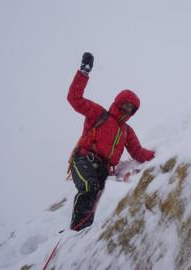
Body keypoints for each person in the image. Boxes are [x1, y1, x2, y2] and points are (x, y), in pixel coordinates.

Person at [66, 52, 155, 231]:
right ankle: (76, 230)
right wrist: (84, 72)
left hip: (104, 169)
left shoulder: (126, 131)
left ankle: (87, 231)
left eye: (131, 108)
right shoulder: (99, 114)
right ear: (118, 102)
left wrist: (161, 154)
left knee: (100, 198)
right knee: (89, 187)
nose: (127, 110)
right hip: (84, 160)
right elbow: (74, 99)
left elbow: (137, 152)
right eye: (125, 105)